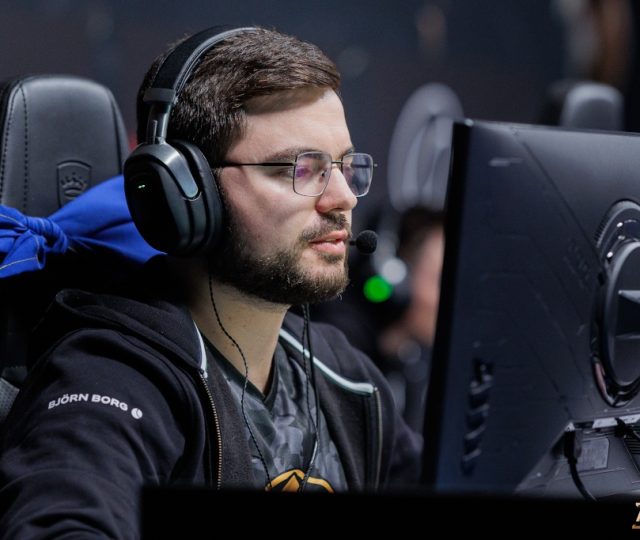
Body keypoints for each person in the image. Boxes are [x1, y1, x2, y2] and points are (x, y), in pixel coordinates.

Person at [0, 26, 421, 537]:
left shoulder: (346, 377)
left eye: (344, 166)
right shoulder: (111, 373)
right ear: (186, 191)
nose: (344, 198)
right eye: (300, 168)